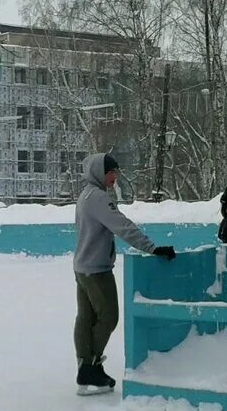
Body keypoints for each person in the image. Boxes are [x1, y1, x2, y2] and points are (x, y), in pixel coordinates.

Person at [74, 152, 175, 396]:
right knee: (108, 317)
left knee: (86, 319)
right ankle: (90, 367)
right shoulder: (98, 198)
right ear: (100, 171)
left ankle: (85, 367)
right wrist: (151, 247)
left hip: (82, 267)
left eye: (117, 172)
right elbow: (122, 226)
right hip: (97, 269)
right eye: (112, 172)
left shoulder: (86, 194)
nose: (115, 177)